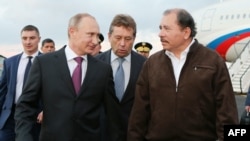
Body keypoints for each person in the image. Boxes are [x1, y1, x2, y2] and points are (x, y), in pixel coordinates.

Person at [127, 8, 239, 141]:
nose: (160, 34)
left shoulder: (213, 61)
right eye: (160, 28)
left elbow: (227, 111)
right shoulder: (152, 63)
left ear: (186, 32)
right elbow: (139, 113)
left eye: (167, 29)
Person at [14, 13, 123, 141]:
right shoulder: (44, 64)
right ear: (72, 32)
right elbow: (25, 106)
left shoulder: (103, 70)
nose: (96, 41)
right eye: (90, 34)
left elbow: (113, 116)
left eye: (97, 35)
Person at [96, 14, 146, 141]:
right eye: (118, 38)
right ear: (109, 36)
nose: (122, 44)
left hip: (134, 135)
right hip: (101, 134)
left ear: (134, 38)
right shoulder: (95, 64)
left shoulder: (145, 65)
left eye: (128, 38)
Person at [0, 25, 41, 141]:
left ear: (39, 39)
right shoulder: (10, 62)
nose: (28, 42)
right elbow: (2, 91)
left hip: (35, 115)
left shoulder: (47, 62)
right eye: (25, 38)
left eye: (32, 38)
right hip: (9, 116)